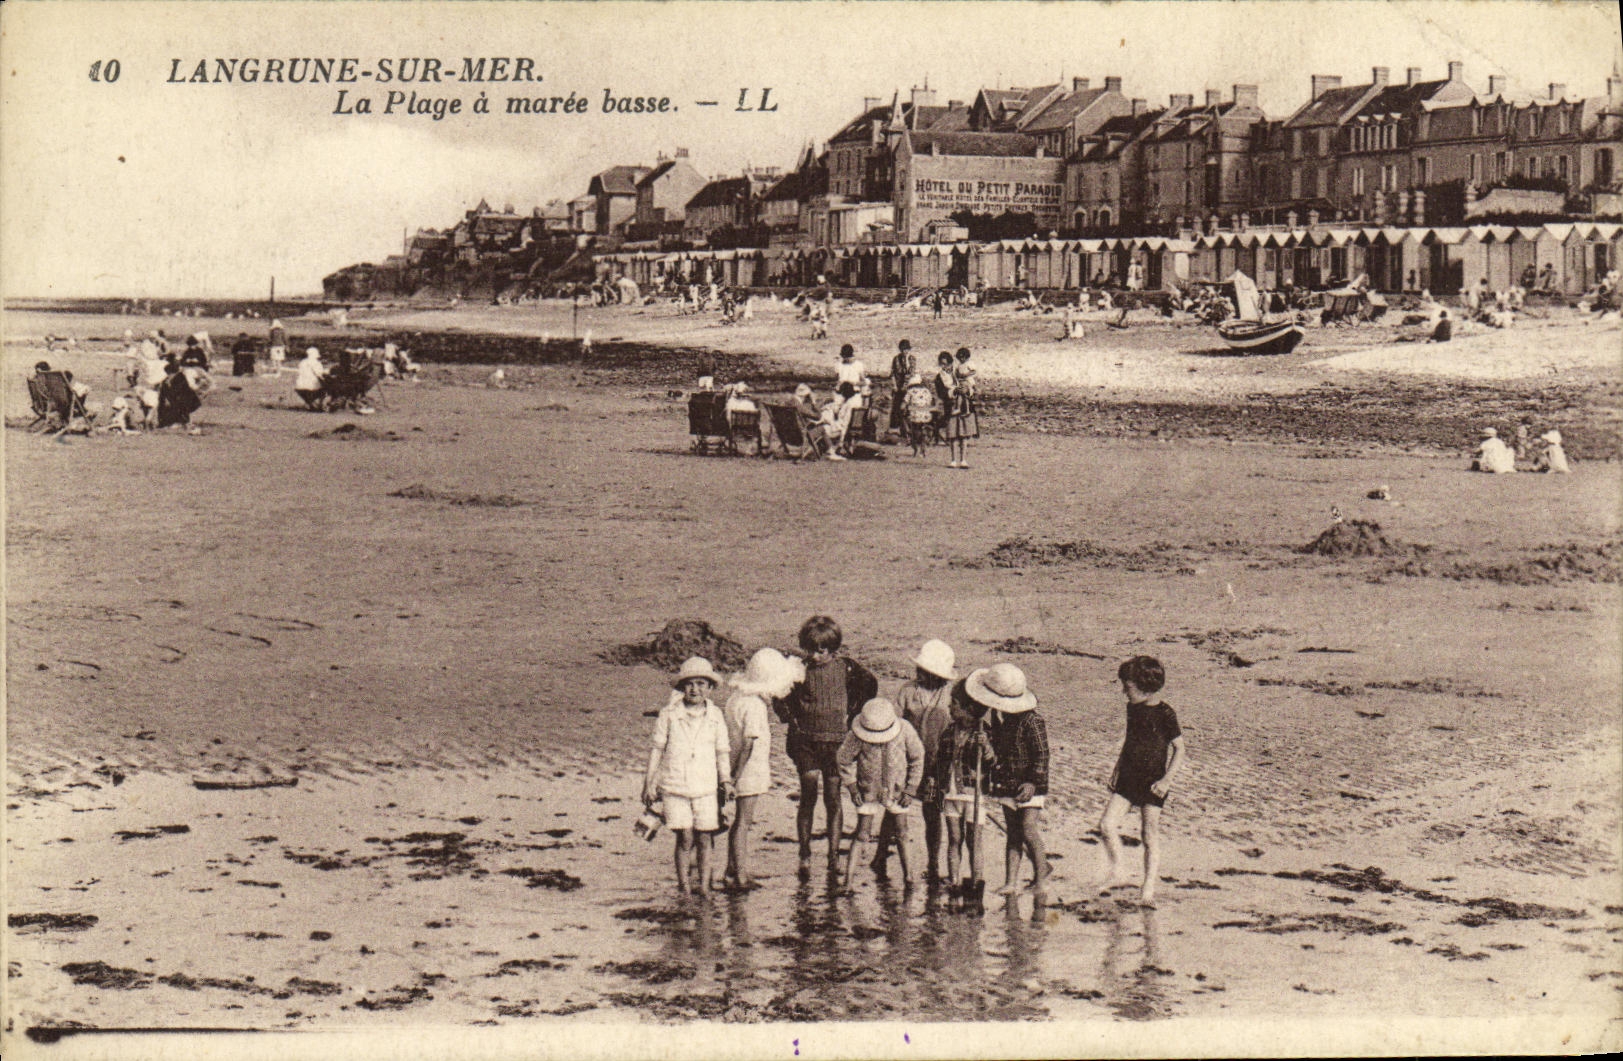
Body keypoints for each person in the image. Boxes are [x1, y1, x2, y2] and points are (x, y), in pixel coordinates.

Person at [774, 616, 878, 876]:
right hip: (805, 741)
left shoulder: (847, 668)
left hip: (836, 744)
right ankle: (805, 854)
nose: (816, 656)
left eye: (822, 651)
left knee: (833, 798)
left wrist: (853, 715)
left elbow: (870, 685)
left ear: (833, 649)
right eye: (811, 650)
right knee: (808, 795)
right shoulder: (797, 670)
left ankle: (833, 856)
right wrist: (791, 718)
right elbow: (777, 692)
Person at [1098, 656, 1186, 907]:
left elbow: (1180, 749)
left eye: (1128, 687)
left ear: (1145, 687)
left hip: (1154, 782)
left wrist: (1167, 781)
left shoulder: (1166, 713)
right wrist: (1117, 769)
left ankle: (1147, 890)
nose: (1124, 692)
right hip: (1128, 777)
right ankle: (1118, 872)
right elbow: (1130, 741)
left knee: (1149, 834)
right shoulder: (1133, 708)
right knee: (1106, 825)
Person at [642, 657, 733, 894]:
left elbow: (722, 751)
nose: (695, 689)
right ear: (682, 687)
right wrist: (649, 783)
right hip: (675, 786)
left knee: (705, 837)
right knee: (684, 837)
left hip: (706, 788)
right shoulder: (669, 714)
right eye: (690, 684)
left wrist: (726, 781)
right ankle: (684, 886)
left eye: (701, 683)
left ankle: (704, 887)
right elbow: (657, 749)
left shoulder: (716, 716)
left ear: (710, 688)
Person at [722, 648, 803, 892]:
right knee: (744, 822)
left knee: (739, 822)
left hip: (736, 765)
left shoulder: (735, 699)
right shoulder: (755, 707)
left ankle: (731, 869)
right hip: (748, 770)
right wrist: (736, 776)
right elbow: (749, 743)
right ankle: (740, 875)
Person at [969, 663, 1051, 897]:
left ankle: (1041, 877)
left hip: (1029, 785)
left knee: (1028, 829)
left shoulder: (1033, 721)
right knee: (1013, 834)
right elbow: (997, 751)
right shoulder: (1001, 718)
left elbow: (1042, 755)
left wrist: (1033, 782)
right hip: (1008, 782)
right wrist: (987, 743)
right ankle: (1011, 882)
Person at [883, 639, 958, 887]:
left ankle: (933, 862)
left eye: (924, 671)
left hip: (937, 764)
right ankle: (880, 853)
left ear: (938, 675)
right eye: (919, 670)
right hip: (907, 760)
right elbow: (893, 722)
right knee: (893, 808)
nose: (919, 674)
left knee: (932, 813)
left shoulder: (948, 697)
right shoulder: (907, 691)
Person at [836, 698, 925, 894]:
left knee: (902, 832)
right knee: (861, 833)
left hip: (898, 790)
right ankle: (848, 882)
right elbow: (843, 759)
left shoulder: (905, 729)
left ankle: (909, 877)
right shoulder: (857, 735)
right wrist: (852, 787)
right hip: (868, 790)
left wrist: (911, 788)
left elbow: (917, 757)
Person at [931, 683, 995, 912]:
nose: (949, 707)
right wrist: (935, 787)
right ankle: (955, 881)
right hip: (951, 794)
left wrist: (986, 749)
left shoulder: (983, 732)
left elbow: (992, 762)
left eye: (954, 705)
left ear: (968, 708)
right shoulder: (949, 731)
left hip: (973, 794)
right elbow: (940, 761)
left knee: (974, 841)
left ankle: (976, 884)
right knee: (954, 839)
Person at [943, 348, 979, 469]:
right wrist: (954, 391)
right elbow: (944, 392)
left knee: (963, 435)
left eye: (947, 364)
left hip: (962, 407)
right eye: (943, 364)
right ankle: (953, 460)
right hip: (951, 407)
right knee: (953, 435)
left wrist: (968, 390)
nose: (946, 367)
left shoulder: (961, 370)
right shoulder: (944, 376)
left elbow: (971, 384)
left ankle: (963, 459)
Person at [155, 359, 201, 428]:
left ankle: (183, 421)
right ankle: (166, 421)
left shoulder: (181, 378)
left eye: (170, 373)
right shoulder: (166, 381)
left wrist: (169, 386)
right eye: (168, 373)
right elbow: (162, 397)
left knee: (180, 403)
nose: (168, 375)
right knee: (164, 405)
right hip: (174, 402)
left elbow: (180, 393)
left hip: (188, 402)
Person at [901, 373, 936, 457]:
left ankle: (915, 449)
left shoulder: (910, 391)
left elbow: (903, 405)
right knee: (923, 431)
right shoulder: (927, 391)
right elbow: (931, 402)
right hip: (926, 414)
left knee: (914, 431)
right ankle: (923, 450)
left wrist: (903, 410)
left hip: (915, 414)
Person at [888, 339, 916, 436]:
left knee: (906, 408)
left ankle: (907, 431)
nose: (905, 351)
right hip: (898, 386)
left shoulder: (912, 359)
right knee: (896, 408)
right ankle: (896, 430)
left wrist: (905, 386)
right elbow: (892, 373)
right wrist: (894, 385)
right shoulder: (896, 359)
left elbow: (911, 374)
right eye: (903, 349)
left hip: (907, 387)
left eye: (907, 349)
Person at [931, 351, 956, 445]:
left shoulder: (956, 373)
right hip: (947, 400)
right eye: (941, 364)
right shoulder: (939, 377)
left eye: (945, 364)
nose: (943, 366)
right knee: (947, 416)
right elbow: (940, 392)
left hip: (957, 397)